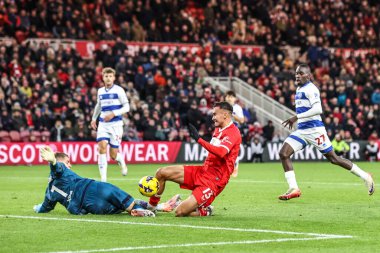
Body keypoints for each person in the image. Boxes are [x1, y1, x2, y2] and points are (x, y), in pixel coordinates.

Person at [278, 64, 375, 200]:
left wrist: (296, 117)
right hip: (302, 131)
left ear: (308, 75)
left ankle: (365, 176)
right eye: (296, 73)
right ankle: (294, 188)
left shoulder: (311, 89)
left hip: (315, 130)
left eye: (300, 73)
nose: (297, 75)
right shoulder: (300, 88)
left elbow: (318, 109)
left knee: (334, 159)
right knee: (283, 153)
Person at [147, 102, 242, 217]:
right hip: (203, 171)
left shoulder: (233, 132)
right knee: (161, 173)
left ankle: (206, 210)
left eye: (215, 114)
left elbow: (221, 152)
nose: (213, 118)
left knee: (180, 212)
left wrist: (199, 139)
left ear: (225, 115)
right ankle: (152, 207)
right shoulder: (218, 128)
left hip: (214, 181)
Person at [33, 146, 155, 216]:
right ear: (61, 163)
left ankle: (150, 208)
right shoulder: (60, 168)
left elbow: (45, 207)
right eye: (68, 162)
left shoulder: (49, 193)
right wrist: (53, 162)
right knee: (126, 203)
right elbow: (57, 168)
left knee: (121, 208)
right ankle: (150, 207)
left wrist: (37, 208)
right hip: (92, 189)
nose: (70, 165)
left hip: (90, 207)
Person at [91, 67, 129, 182]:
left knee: (113, 155)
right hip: (103, 124)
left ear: (114, 78)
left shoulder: (119, 90)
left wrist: (113, 114)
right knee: (101, 147)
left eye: (110, 76)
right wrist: (94, 119)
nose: (108, 78)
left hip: (116, 125)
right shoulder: (100, 91)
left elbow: (127, 107)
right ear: (103, 78)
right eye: (106, 76)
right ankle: (103, 180)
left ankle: (120, 160)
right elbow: (98, 105)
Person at [225, 91, 244, 177]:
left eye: (231, 96)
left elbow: (242, 120)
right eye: (228, 96)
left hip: (233, 130)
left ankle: (235, 167)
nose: (229, 98)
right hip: (222, 130)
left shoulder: (237, 108)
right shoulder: (221, 106)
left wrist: (232, 114)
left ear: (235, 98)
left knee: (232, 151)